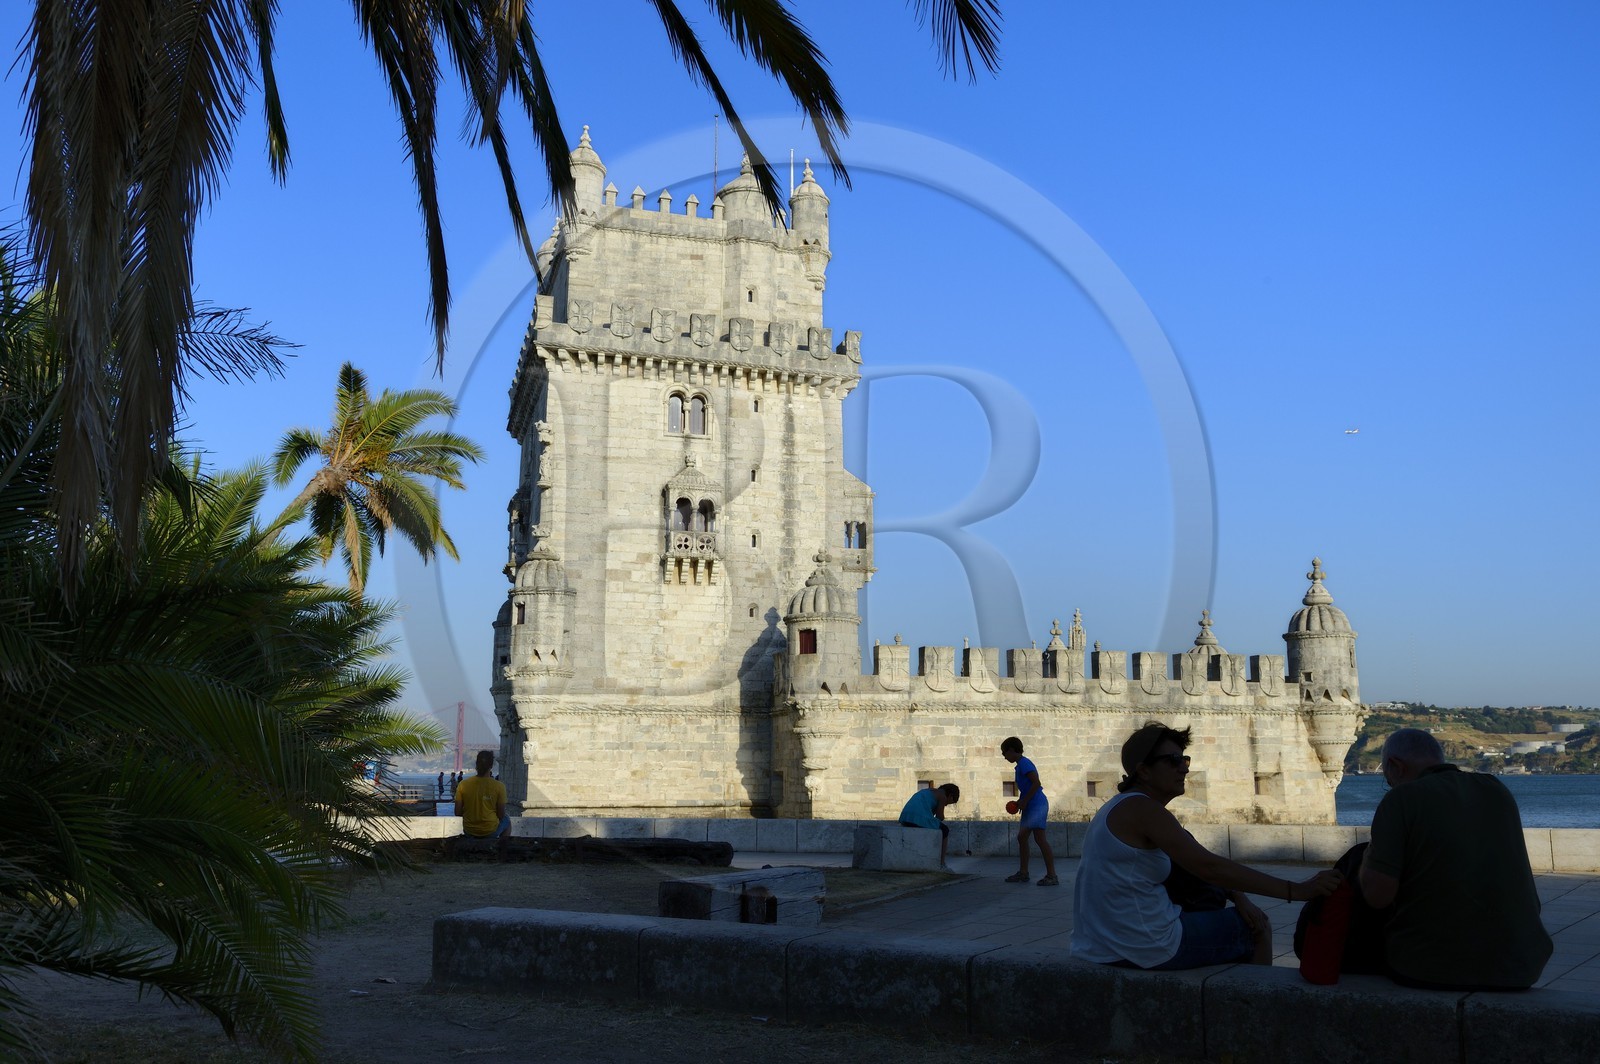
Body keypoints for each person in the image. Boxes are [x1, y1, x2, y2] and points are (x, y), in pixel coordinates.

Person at [1071, 721, 1342, 970]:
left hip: (1101, 946)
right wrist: (1296, 890)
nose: (1185, 767)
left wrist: (1238, 895)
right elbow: (1209, 867)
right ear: (1143, 771)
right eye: (1173, 760)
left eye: (1185, 759)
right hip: (1145, 946)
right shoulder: (1143, 809)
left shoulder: (1122, 807)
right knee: (1257, 927)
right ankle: (1255, 1008)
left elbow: (1197, 861)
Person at [1352, 728, 1552, 989]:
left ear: (1394, 766)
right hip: (1520, 966)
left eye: (1386, 779)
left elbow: (1377, 896)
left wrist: (1367, 858)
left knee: (1353, 866)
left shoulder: (1402, 798)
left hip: (1431, 968)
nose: (1388, 784)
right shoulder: (1496, 790)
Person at [1000, 737, 1059, 885]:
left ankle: (1052, 875)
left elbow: (1036, 783)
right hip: (1030, 804)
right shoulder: (1020, 765)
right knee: (1022, 838)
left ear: (1012, 750)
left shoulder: (1024, 763)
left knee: (1040, 839)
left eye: (1004, 752)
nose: (1004, 756)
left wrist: (1024, 801)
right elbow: (1027, 788)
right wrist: (1021, 801)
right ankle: (1023, 872)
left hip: (1036, 804)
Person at [898, 783, 960, 871]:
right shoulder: (942, 796)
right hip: (918, 818)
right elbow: (939, 817)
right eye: (949, 802)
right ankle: (941, 864)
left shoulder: (928, 791)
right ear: (950, 795)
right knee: (945, 830)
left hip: (906, 816)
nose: (946, 805)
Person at [454, 750, 510, 839]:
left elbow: (457, 812)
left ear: (476, 764)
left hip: (469, 831)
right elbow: (501, 815)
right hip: (490, 831)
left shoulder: (463, 785)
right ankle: (502, 848)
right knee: (507, 820)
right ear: (491, 766)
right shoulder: (499, 786)